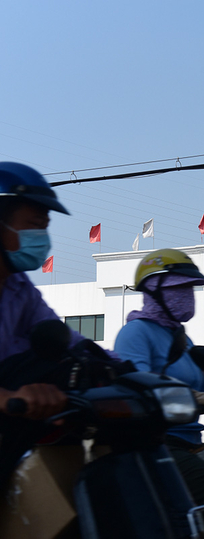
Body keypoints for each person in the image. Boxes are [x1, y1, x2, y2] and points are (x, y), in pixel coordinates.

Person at [114, 248, 204, 532]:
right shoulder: (135, 333)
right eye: (179, 287)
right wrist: (199, 398)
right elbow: (137, 386)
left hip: (191, 446)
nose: (187, 295)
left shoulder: (183, 340)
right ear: (154, 290)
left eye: (190, 288)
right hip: (155, 446)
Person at [0, 162, 86, 420]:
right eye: (35, 224)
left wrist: (127, 370)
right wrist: (7, 398)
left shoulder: (21, 288)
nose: (43, 237)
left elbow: (69, 341)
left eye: (45, 227)